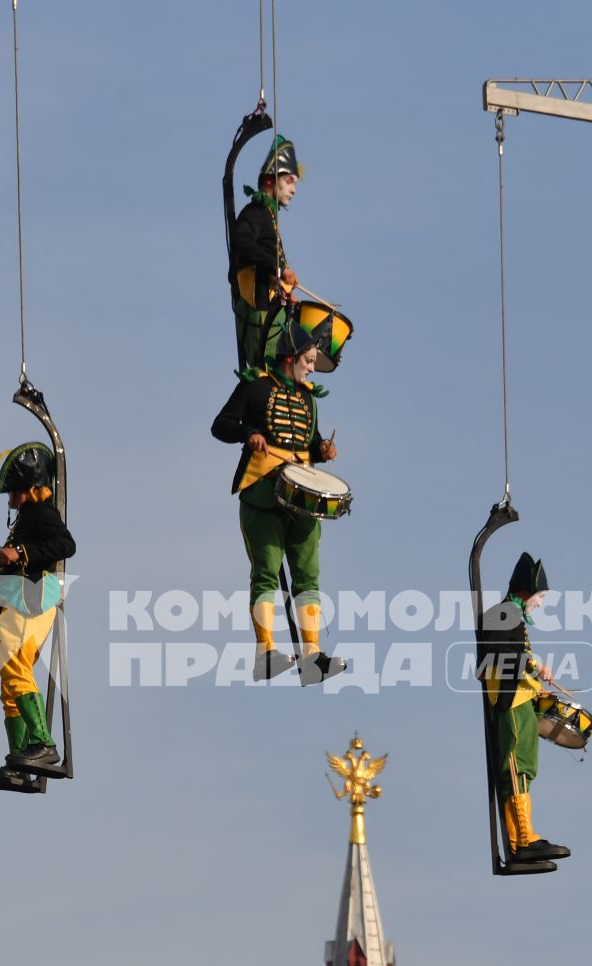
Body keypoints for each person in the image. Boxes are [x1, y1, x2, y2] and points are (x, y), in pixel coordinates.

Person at [210, 323, 345, 684]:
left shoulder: (307, 397)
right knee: (266, 572)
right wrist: (249, 433)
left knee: (308, 576)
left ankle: (312, 653)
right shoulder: (256, 386)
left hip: (303, 498)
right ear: (291, 357)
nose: (313, 367)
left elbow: (310, 440)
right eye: (309, 359)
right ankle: (265, 651)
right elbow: (221, 425)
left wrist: (322, 450)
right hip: (263, 489)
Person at [0, 442, 76, 791]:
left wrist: (19, 552)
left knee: (17, 665)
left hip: (33, 600)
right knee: (9, 680)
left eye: (14, 492)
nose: (10, 499)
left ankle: (42, 745)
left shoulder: (41, 512)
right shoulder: (27, 517)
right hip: (17, 603)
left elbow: (66, 545)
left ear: (29, 488)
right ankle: (20, 759)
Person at [479, 553, 567, 862]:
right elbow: (493, 656)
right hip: (511, 701)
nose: (540, 603)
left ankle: (523, 837)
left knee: (524, 768)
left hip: (520, 699)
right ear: (526, 590)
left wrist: (533, 673)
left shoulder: (511, 615)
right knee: (517, 767)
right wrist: (532, 663)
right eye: (540, 596)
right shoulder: (502, 614)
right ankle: (522, 840)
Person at [228, 135, 301, 373]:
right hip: (259, 317)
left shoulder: (269, 218)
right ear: (272, 179)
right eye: (290, 181)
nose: (294, 189)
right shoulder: (256, 213)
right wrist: (277, 269)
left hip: (272, 313)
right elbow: (241, 241)